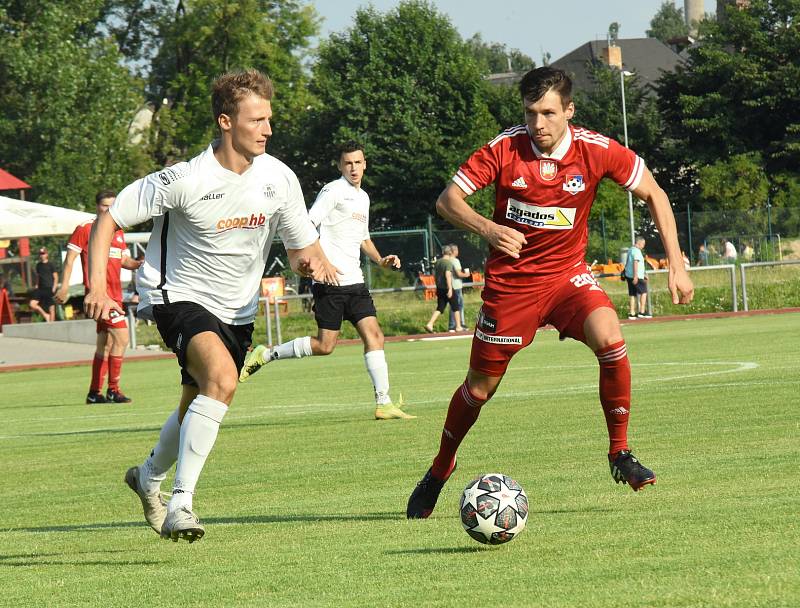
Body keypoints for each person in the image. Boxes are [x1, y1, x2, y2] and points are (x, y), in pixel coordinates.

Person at [406, 67, 694, 519]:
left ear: (569, 111)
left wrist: (677, 266)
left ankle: (619, 453)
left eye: (547, 113)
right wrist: (488, 227)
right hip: (511, 288)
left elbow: (655, 192)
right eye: (529, 113)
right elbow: (448, 201)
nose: (537, 124)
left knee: (611, 339)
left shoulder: (596, 151)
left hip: (567, 279)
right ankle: (441, 467)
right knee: (479, 390)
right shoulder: (504, 148)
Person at [84, 69, 338, 543]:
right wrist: (97, 286)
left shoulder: (280, 178)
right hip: (176, 295)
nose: (267, 129)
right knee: (220, 380)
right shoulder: (184, 179)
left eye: (269, 119)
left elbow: (305, 248)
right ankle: (181, 505)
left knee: (196, 402)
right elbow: (109, 217)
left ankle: (148, 477)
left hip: (238, 310)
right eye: (256, 120)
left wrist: (313, 266)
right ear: (225, 121)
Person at [238, 141, 414, 421]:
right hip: (329, 284)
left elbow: (363, 238)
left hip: (355, 284)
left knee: (375, 336)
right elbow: (307, 224)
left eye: (358, 162)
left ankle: (384, 402)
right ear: (340, 166)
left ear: (365, 164)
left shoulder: (363, 198)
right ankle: (266, 354)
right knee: (325, 346)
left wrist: (381, 260)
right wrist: (321, 261)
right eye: (348, 163)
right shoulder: (333, 191)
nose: (353, 168)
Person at [55, 190, 141, 404]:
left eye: (112, 205)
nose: (108, 209)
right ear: (96, 206)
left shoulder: (118, 231)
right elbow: (70, 260)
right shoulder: (85, 228)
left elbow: (123, 261)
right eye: (104, 206)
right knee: (122, 338)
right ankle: (113, 390)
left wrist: (140, 263)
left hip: (116, 296)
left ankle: (94, 393)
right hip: (100, 297)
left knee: (104, 344)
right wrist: (64, 286)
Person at [425, 245, 464, 333]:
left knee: (440, 307)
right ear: (450, 252)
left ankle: (430, 324)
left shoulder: (438, 262)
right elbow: (448, 275)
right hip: (447, 288)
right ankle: (458, 326)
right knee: (456, 307)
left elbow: (435, 275)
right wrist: (450, 288)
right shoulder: (448, 263)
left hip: (439, 288)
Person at [29, 247, 58, 322]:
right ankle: (45, 315)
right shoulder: (38, 265)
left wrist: (54, 288)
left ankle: (52, 325)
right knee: (32, 304)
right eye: (40, 254)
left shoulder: (51, 265)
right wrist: (36, 285)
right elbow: (38, 277)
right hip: (40, 289)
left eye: (43, 253)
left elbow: (56, 277)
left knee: (51, 308)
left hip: (49, 288)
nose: (41, 255)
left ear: (46, 254)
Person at [623, 237, 649, 320]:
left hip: (629, 275)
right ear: (639, 242)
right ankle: (642, 312)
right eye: (643, 244)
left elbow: (627, 262)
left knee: (632, 294)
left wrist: (643, 273)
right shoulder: (637, 251)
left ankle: (632, 313)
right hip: (636, 276)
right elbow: (635, 263)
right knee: (644, 292)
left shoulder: (630, 249)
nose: (643, 246)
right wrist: (636, 276)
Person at [447, 244, 471, 332]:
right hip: (456, 286)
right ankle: (459, 324)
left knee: (452, 306)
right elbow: (458, 274)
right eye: (457, 250)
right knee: (459, 306)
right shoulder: (455, 261)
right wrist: (467, 275)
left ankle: (452, 325)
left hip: (450, 285)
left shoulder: (447, 260)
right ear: (454, 251)